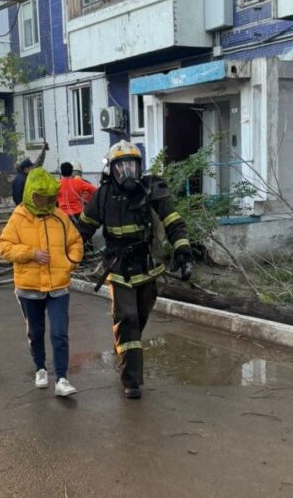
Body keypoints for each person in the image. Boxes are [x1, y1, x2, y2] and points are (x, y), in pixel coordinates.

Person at [78, 141, 194, 400]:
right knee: (128, 317)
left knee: (139, 318)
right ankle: (132, 381)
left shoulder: (151, 188)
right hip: (118, 266)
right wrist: (66, 254)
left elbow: (173, 221)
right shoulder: (103, 196)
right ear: (112, 169)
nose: (127, 172)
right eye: (122, 166)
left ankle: (124, 349)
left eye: (132, 165)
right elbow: (83, 230)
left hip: (147, 265)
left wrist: (184, 252)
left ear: (140, 167)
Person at [0, 168, 83, 397]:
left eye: (48, 197)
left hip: (58, 287)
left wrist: (71, 261)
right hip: (29, 288)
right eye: (40, 197)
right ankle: (41, 368)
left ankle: (62, 378)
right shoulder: (18, 217)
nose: (44, 202)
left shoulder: (60, 216)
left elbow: (75, 242)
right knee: (36, 332)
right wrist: (30, 253)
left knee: (59, 333)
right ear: (30, 194)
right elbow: (4, 247)